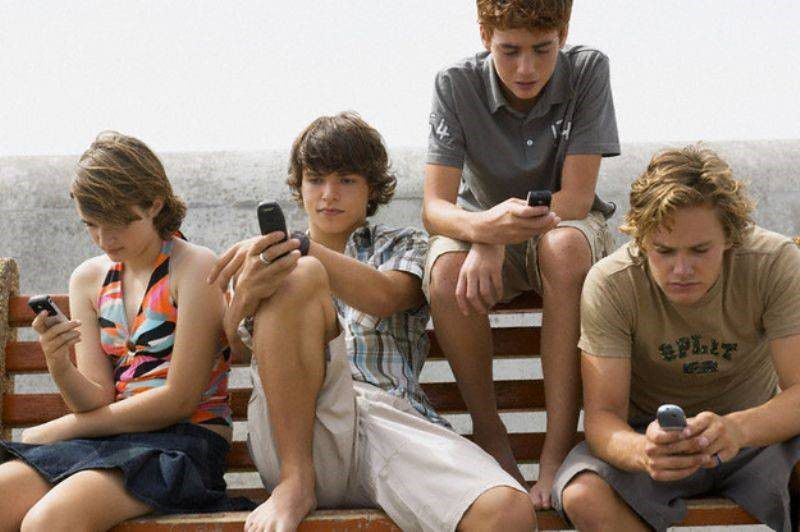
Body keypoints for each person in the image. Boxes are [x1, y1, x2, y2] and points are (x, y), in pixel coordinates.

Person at [207, 112, 536, 532]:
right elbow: (235, 349)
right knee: (299, 275)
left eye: (346, 180)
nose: (329, 194)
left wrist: (303, 247)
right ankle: (295, 480)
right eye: (315, 180)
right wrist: (247, 294)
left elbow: (384, 297)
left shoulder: (401, 244)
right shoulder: (268, 261)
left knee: (506, 511)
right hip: (292, 429)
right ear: (299, 186)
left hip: (381, 419)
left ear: (371, 189)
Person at [0, 132, 254, 531]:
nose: (105, 239)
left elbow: (179, 400)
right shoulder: (88, 279)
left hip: (183, 443)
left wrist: (61, 429)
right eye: (92, 225)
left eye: (119, 224)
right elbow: (96, 398)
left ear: (154, 204)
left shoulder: (192, 267)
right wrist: (58, 362)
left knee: (49, 520)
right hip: (110, 441)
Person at [422, 0, 620, 507]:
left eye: (542, 50)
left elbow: (576, 198)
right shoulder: (454, 84)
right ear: (484, 34)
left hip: (563, 223)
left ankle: (557, 448)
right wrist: (483, 232)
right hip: (484, 226)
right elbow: (435, 207)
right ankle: (492, 438)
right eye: (509, 51)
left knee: (564, 248)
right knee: (446, 272)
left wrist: (494, 235)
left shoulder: (588, 70)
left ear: (564, 33)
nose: (526, 68)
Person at [552, 145, 800, 531]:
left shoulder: (775, 262)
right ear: (641, 239)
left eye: (700, 250)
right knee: (583, 495)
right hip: (650, 438)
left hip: (755, 437)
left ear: (731, 236)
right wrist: (643, 451)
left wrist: (737, 429)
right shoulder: (612, 282)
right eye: (664, 251)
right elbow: (602, 418)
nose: (681, 269)